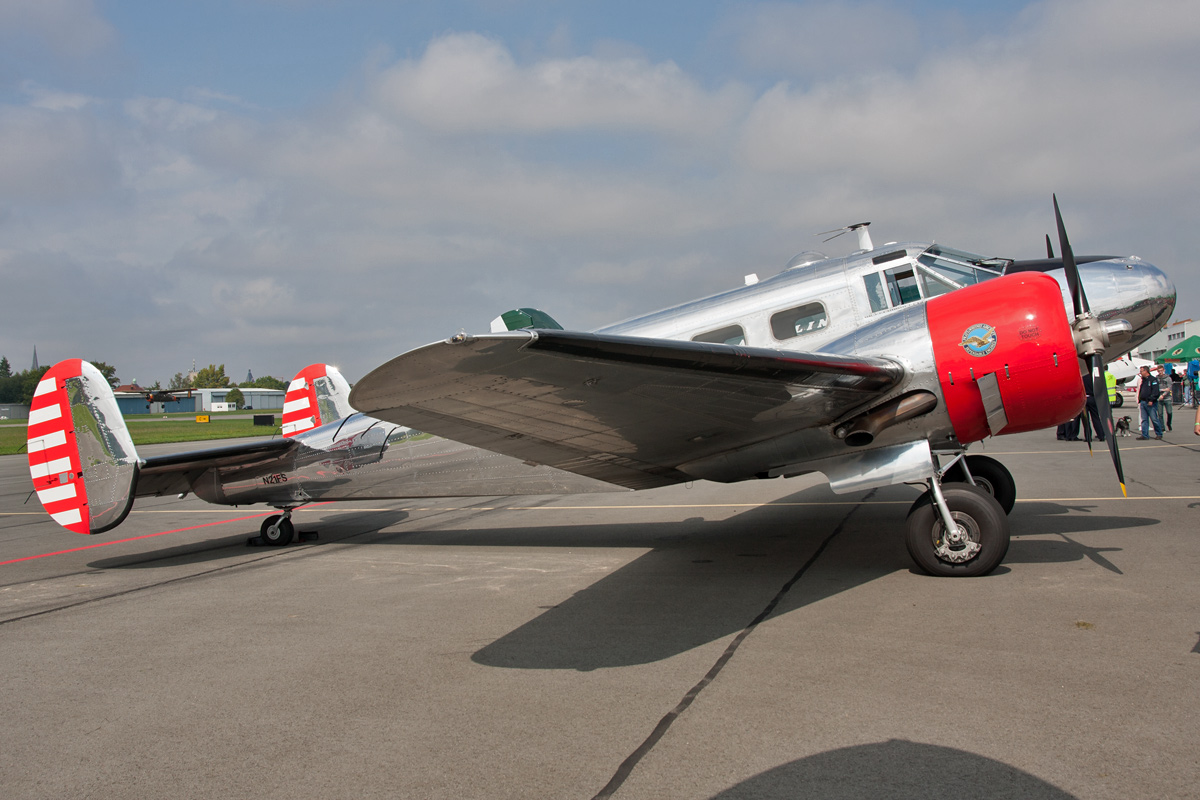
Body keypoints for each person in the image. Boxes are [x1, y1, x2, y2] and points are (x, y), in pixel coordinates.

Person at [1136, 365, 1164, 440]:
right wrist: (1139, 399)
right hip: (1143, 401)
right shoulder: (1143, 380)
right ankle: (1144, 434)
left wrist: (1151, 400)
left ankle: (1159, 433)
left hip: (1150, 402)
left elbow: (1155, 392)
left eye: (1142, 371)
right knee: (1144, 419)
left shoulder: (1153, 380)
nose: (1140, 373)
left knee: (1154, 419)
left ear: (1146, 371)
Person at [1157, 365, 1174, 432]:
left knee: (1169, 412)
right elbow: (1156, 388)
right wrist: (1162, 390)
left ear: (1164, 370)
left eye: (1161, 370)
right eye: (1159, 371)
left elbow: (1169, 388)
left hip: (1167, 398)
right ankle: (1162, 427)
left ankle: (1169, 423)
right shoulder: (1156, 378)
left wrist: (1163, 394)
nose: (1160, 372)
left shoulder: (1168, 378)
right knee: (1160, 414)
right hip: (1159, 398)